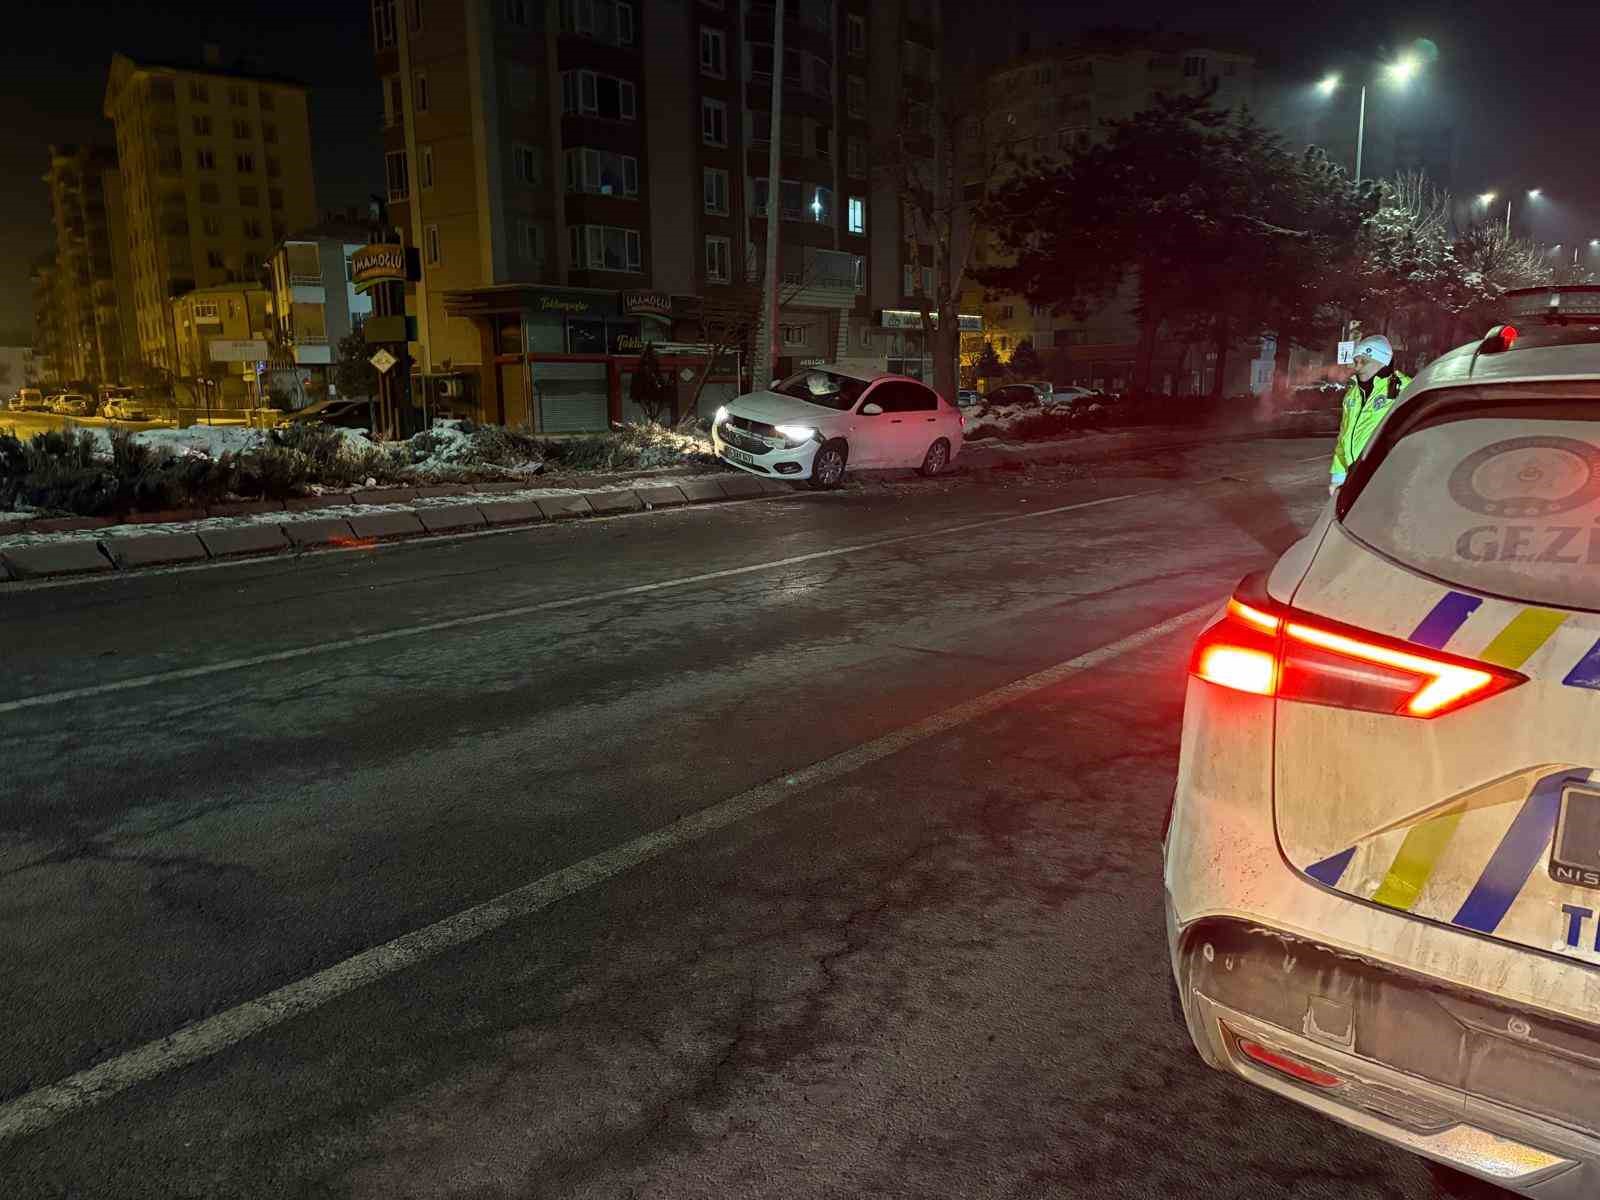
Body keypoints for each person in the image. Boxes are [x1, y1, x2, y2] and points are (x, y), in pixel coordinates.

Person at [1330, 334, 1409, 495]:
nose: (1357, 366)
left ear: (1381, 361)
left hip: (1385, 478)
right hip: (1353, 477)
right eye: (1356, 360)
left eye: (1363, 361)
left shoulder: (1404, 387)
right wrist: (1338, 477)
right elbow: (1344, 437)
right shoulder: (1352, 394)